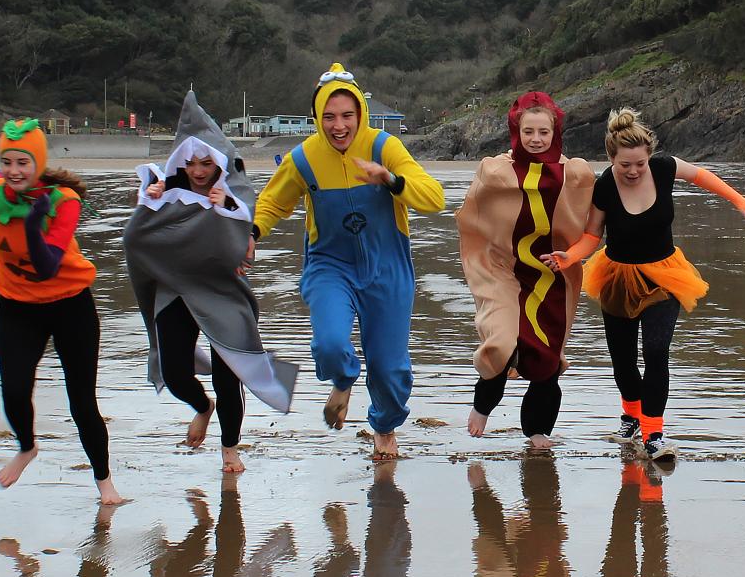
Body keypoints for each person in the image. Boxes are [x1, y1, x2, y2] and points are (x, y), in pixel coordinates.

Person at [545, 107, 745, 460]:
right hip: (618, 277)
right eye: (624, 165)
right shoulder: (604, 186)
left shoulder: (664, 167)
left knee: (657, 353)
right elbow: (591, 235)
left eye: (639, 164)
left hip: (664, 275)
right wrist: (569, 256)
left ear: (649, 158)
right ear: (611, 158)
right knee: (623, 362)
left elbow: (702, 176)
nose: (632, 171)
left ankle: (653, 434)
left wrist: (741, 201)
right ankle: (630, 413)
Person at [254, 64, 445, 460]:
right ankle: (342, 381)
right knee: (329, 343)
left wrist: (390, 180)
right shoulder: (303, 158)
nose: (338, 126)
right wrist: (252, 233)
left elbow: (434, 198)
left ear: (361, 114)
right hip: (330, 266)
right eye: (329, 117)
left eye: (346, 116)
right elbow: (274, 201)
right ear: (316, 117)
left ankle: (385, 426)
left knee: (390, 368)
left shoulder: (384, 147)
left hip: (388, 266)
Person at [127, 92, 298, 474]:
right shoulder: (165, 192)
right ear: (181, 161)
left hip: (222, 292)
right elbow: (137, 240)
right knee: (173, 372)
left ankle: (230, 448)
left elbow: (241, 248)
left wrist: (228, 211)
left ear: (219, 162)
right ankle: (203, 407)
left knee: (228, 374)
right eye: (192, 163)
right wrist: (148, 202)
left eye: (207, 163)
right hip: (177, 289)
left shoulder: (234, 198)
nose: (199, 171)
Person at [0, 118, 121, 504]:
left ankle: (105, 483)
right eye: (7, 162)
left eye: (24, 162)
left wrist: (35, 222)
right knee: (15, 390)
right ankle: (27, 447)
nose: (14, 171)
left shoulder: (63, 202)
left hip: (70, 303)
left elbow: (47, 266)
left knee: (82, 402)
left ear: (38, 164)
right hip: (17, 306)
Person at [457, 92, 596, 449]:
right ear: (516, 132)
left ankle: (537, 432)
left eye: (543, 133)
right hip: (503, 269)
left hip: (551, 275)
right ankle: (483, 404)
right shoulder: (497, 170)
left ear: (555, 133)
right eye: (528, 131)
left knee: (547, 360)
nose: (536, 139)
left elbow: (594, 218)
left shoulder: (573, 174)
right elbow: (473, 214)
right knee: (501, 343)